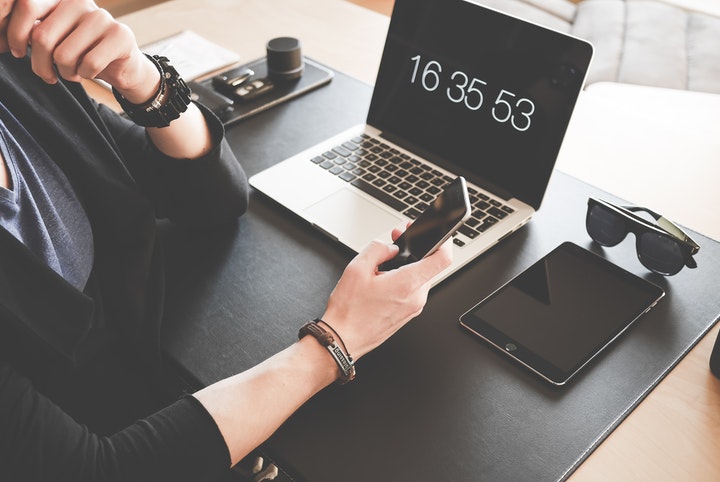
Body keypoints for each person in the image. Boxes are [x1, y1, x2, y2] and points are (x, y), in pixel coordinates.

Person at [0, 1, 452, 480]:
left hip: (146, 380)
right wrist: (337, 341)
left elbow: (212, 199)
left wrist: (142, 79)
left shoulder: (19, 73)